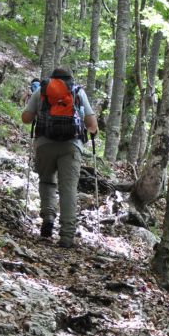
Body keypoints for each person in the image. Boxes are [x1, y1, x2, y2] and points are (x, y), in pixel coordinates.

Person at [21, 67, 98, 248]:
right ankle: (67, 236)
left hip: (44, 144)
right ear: (70, 78)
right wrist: (92, 131)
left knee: (47, 181)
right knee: (68, 189)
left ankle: (48, 216)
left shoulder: (41, 90)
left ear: (52, 78)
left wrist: (30, 105)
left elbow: (26, 118)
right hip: (71, 146)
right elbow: (92, 123)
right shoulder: (77, 91)